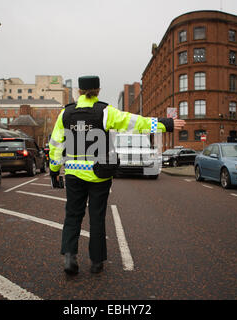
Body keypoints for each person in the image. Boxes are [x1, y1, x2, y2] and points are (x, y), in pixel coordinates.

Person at [49, 76, 186, 275]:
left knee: (72, 215)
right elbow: (136, 123)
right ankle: (96, 262)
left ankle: (69, 257)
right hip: (99, 174)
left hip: (73, 174)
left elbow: (55, 145)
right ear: (98, 90)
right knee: (97, 217)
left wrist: (54, 171)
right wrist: (166, 124)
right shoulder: (105, 112)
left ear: (79, 91)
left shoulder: (66, 114)